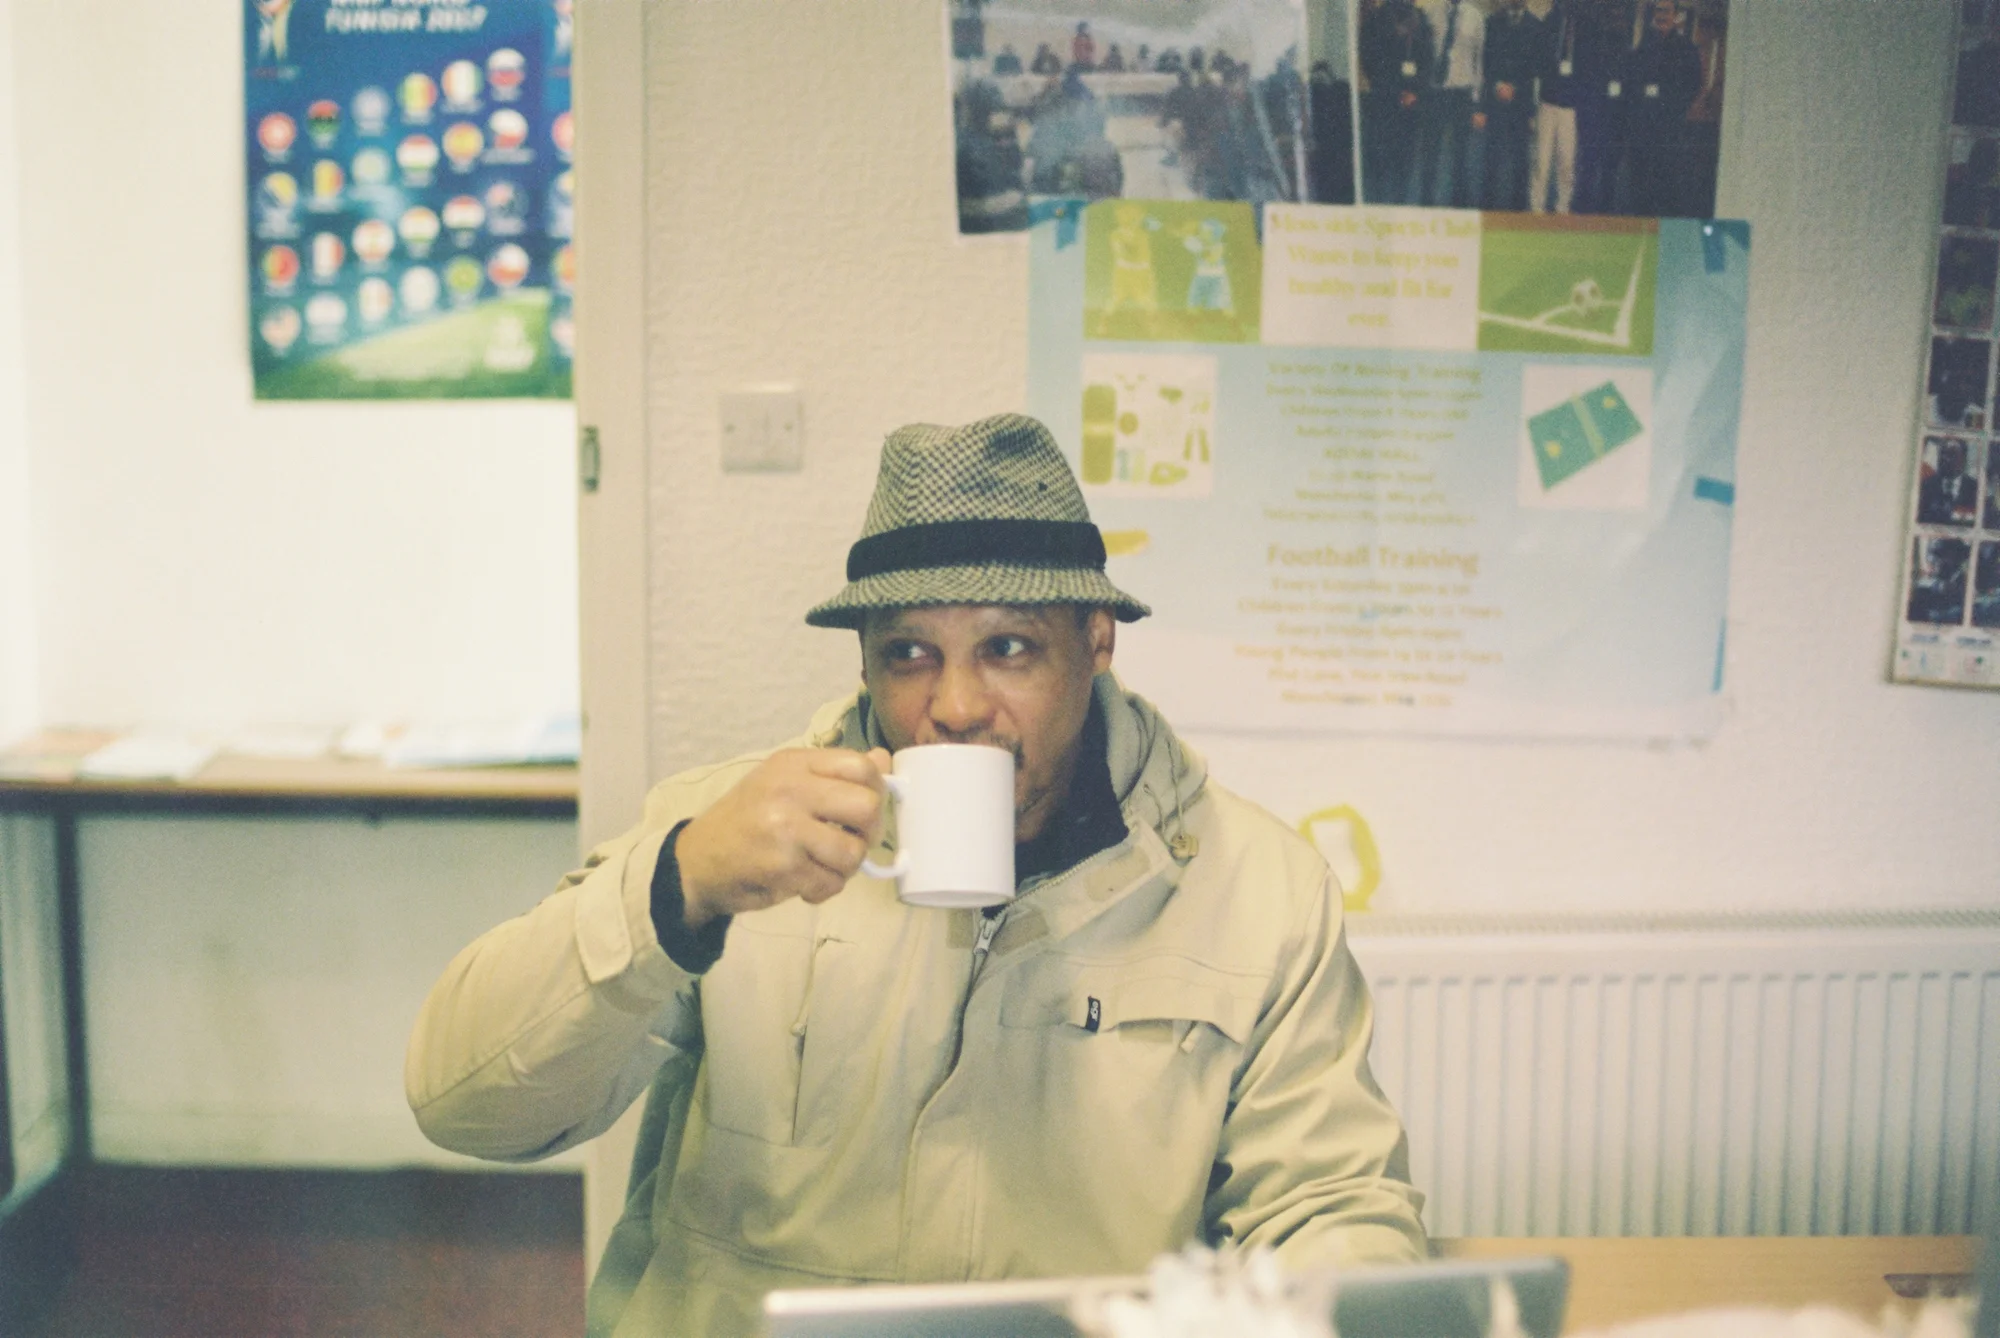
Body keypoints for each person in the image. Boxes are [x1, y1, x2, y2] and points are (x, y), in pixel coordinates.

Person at [407, 415, 1429, 1337]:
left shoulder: (1255, 888)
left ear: (1096, 643)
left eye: (1008, 648)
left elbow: (1331, 1207)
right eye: (908, 653)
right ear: (862, 663)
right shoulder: (728, 839)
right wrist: (674, 890)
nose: (955, 707)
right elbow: (466, 1107)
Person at [1613, 0, 1702, 216]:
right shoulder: (1644, 45)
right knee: (1638, 181)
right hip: (1641, 127)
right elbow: (1630, 81)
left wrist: (1675, 109)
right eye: (1658, 11)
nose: (1661, 16)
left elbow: (1694, 84)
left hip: (1668, 129)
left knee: (1666, 182)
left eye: (1666, 11)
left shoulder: (1686, 48)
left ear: (1675, 15)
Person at [1358, 0, 1434, 204]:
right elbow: (1369, 61)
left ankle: (1402, 203)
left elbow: (1428, 60)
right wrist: (1394, 92)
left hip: (1412, 103)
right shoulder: (1375, 19)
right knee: (1380, 161)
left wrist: (1415, 92)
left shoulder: (1421, 19)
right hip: (1383, 102)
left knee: (1406, 161)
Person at [1415, 0, 1486, 207]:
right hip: (1436, 93)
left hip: (1461, 94)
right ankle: (1426, 203)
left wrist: (1477, 102)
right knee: (1430, 151)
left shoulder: (1475, 17)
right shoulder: (1431, 13)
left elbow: (1479, 61)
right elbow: (1424, 54)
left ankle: (1459, 204)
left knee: (1461, 153)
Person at [1481, 0, 1544, 210]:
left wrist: (1515, 88)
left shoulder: (1536, 26)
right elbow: (1486, 60)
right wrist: (1498, 85)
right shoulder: (1492, 22)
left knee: (1520, 158)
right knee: (1492, 157)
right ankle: (1488, 208)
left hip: (1521, 103)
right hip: (1495, 99)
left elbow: (1536, 67)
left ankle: (1518, 209)